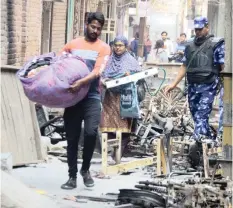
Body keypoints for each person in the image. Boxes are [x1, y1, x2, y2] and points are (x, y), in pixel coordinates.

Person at [60, 12, 111, 189]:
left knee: (90, 133)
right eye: (93, 27)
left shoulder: (104, 48)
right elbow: (60, 65)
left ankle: (85, 169)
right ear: (86, 24)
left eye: (99, 28)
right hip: (73, 98)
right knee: (72, 138)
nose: (95, 31)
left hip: (91, 96)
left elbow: (98, 71)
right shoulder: (72, 45)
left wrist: (80, 82)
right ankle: (72, 176)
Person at [165, 17, 225, 145]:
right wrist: (173, 84)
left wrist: (225, 85)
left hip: (208, 85)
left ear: (207, 27)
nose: (198, 32)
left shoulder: (216, 44)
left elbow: (222, 66)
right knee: (194, 113)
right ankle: (207, 139)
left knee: (201, 114)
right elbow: (184, 65)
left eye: (200, 29)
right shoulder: (189, 45)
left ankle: (198, 141)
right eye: (196, 29)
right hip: (192, 84)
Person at [100, 36, 141, 156]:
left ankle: (120, 150)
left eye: (120, 45)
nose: (118, 48)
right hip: (110, 96)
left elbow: (138, 75)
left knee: (124, 122)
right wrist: (104, 80)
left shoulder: (130, 60)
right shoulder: (108, 60)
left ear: (126, 46)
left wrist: (129, 75)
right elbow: (101, 73)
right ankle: (109, 151)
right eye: (116, 45)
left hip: (125, 96)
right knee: (109, 123)